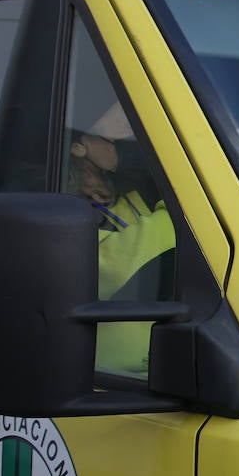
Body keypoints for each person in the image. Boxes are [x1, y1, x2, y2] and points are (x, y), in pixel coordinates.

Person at [68, 104, 175, 374]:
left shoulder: (134, 198)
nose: (130, 130)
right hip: (109, 382)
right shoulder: (62, 210)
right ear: (79, 146)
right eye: (119, 128)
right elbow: (107, 269)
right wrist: (176, 205)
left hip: (165, 373)